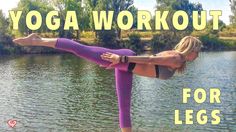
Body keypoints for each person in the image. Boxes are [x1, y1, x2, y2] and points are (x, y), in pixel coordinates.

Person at [13, 34, 202, 132]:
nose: (197, 56)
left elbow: (150, 63)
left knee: (124, 107)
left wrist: (121, 64)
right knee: (80, 49)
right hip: (126, 61)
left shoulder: (176, 58)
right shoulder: (177, 58)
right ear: (191, 49)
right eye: (197, 52)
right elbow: (151, 60)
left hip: (125, 66)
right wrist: (121, 60)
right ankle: (38, 40)